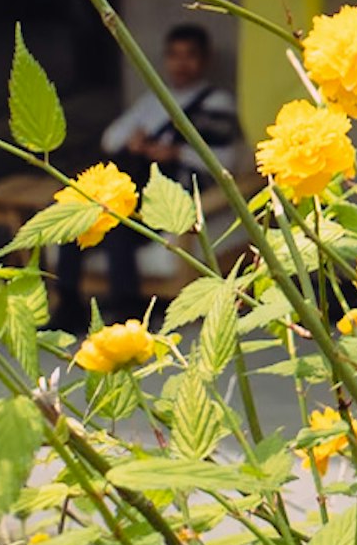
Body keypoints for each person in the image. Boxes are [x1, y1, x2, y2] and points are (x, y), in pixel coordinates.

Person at [53, 23, 238, 329]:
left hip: (174, 195)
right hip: (137, 187)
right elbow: (111, 139)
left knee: (117, 224)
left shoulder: (216, 104)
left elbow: (224, 160)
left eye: (190, 55)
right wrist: (135, 143)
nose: (181, 64)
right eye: (174, 56)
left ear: (205, 60)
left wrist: (176, 154)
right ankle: (68, 304)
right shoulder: (154, 101)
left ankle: (127, 309)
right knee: (76, 215)